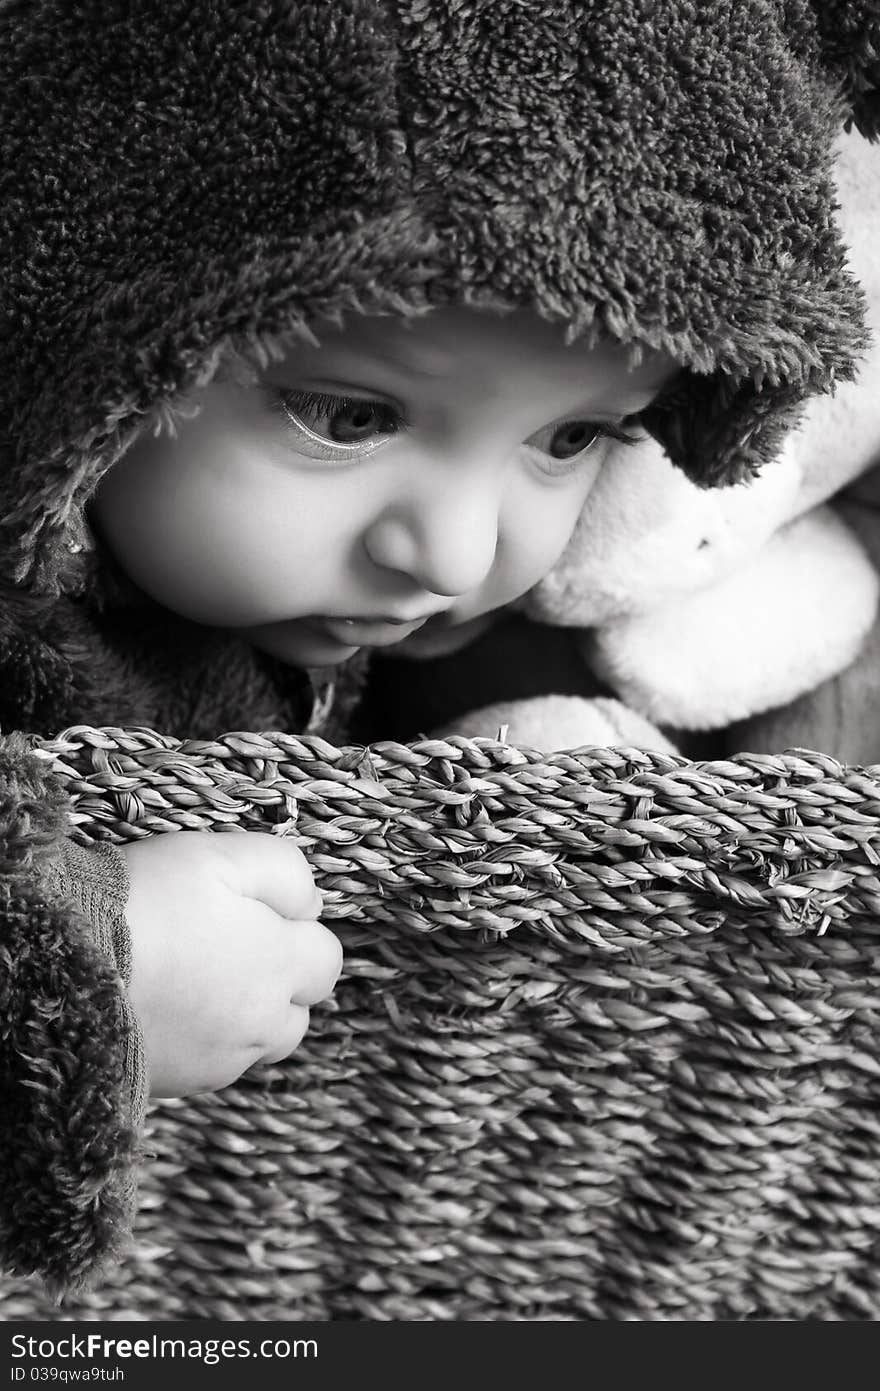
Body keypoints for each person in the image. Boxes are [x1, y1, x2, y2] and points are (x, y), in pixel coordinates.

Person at [1, 0, 876, 1294]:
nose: (459, 552)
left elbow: (467, 638)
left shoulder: (390, 588)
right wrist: (86, 965)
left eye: (572, 437)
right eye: (349, 416)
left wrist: (513, 718)